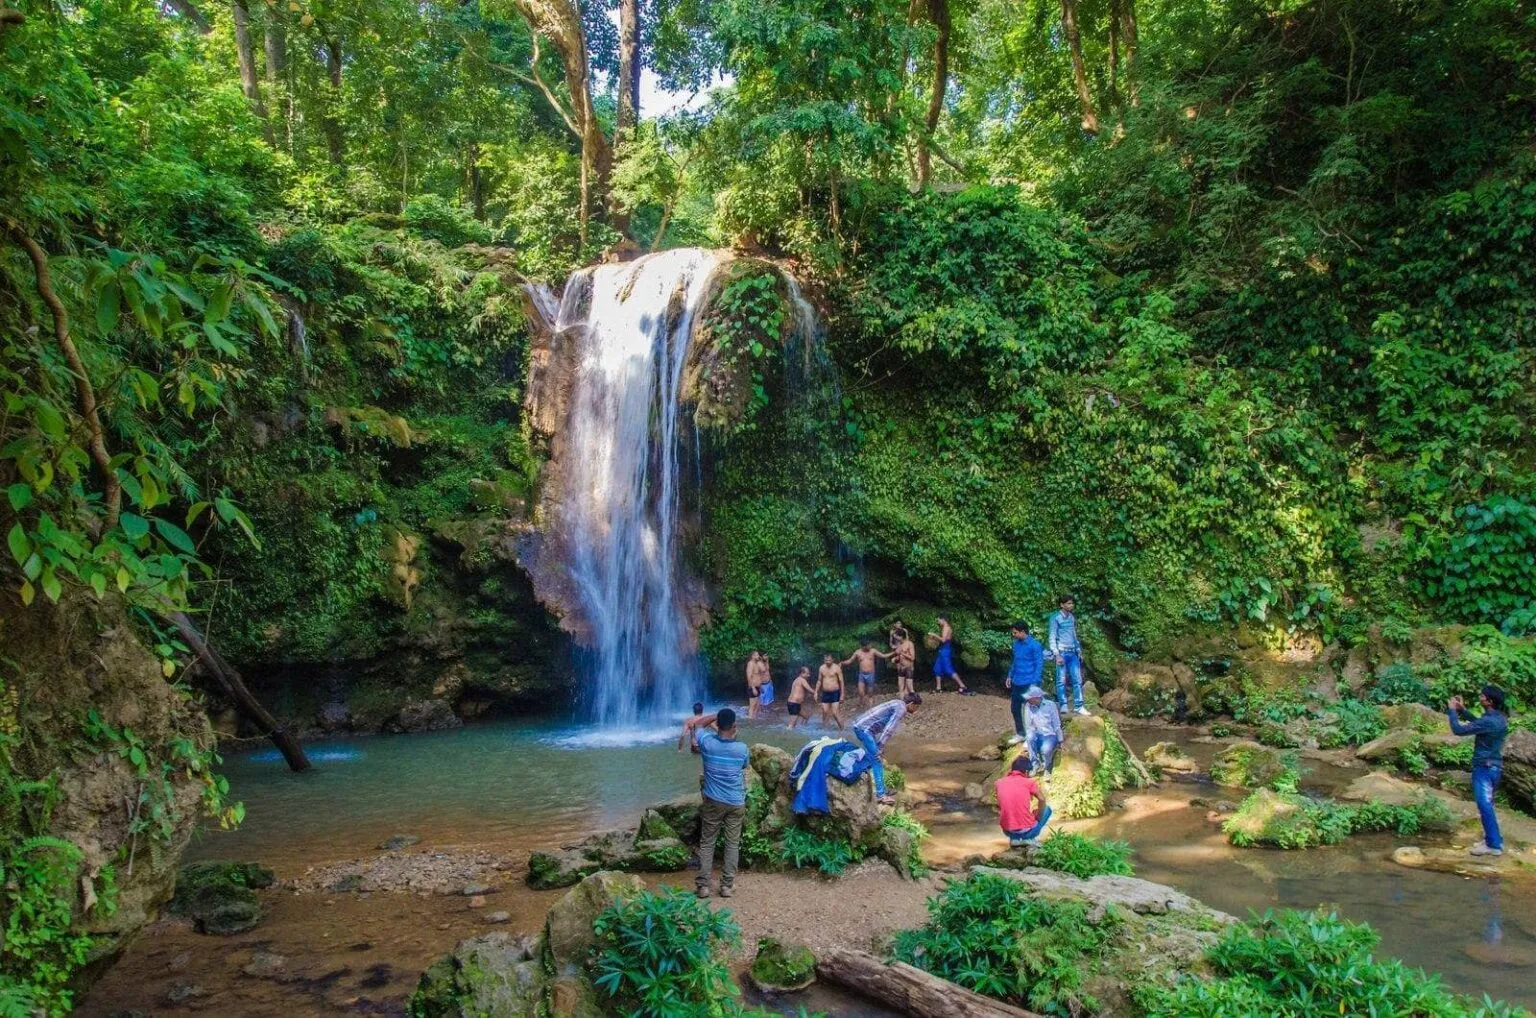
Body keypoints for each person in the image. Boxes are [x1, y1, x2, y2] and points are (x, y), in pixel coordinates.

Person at [680, 707, 750, 898]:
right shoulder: (741, 748)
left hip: (713, 802)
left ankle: (703, 886)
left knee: (707, 843)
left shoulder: (707, 743)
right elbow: (744, 765)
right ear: (734, 726)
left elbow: (697, 725)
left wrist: (714, 716)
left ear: (717, 724)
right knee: (732, 844)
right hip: (736, 802)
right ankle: (726, 886)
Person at [1447, 685, 1510, 857]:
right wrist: (1463, 710)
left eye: (1482, 696)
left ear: (1489, 701)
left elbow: (1458, 730)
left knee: (1484, 805)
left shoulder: (1489, 721)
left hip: (1484, 767)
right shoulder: (1499, 718)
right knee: (1488, 804)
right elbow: (1478, 724)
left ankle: (1493, 845)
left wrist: (1452, 711)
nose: (1480, 697)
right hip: (1494, 766)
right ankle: (1492, 839)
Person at [996, 756, 1052, 847]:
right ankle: (1028, 839)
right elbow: (1042, 799)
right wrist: (1038, 816)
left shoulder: (999, 783)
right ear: (1026, 772)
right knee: (1047, 810)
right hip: (1026, 831)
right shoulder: (1029, 782)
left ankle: (1014, 839)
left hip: (1007, 830)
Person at [1005, 621, 1045, 746]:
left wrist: (1035, 683)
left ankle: (1032, 736)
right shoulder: (1016, 644)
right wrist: (1010, 676)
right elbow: (1015, 661)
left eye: (1015, 633)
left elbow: (1039, 665)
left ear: (1023, 632)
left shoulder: (1035, 645)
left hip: (1030, 682)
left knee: (1031, 711)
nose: (1014, 635)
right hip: (1017, 680)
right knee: (1015, 708)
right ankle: (1021, 734)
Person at [1049, 596, 1090, 716]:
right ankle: (1063, 705)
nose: (1071, 605)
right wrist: (1056, 654)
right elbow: (1052, 636)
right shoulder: (1055, 618)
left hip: (1072, 653)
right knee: (1061, 680)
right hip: (1061, 652)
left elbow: (1073, 634)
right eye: (1068, 603)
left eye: (1072, 603)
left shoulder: (1071, 617)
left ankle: (1079, 706)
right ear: (1062, 605)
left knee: (1077, 679)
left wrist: (1078, 649)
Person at [1019, 686, 1061, 776]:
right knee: (1029, 737)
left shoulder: (1051, 705)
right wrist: (1028, 741)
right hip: (1036, 734)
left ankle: (1047, 767)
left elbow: (1056, 724)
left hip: (1050, 734)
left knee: (1045, 750)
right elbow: (1028, 726)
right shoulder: (1028, 706)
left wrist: (1061, 740)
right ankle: (1035, 764)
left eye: (1030, 698)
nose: (1027, 700)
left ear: (1037, 698)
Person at [927, 615, 972, 694]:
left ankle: (963, 686)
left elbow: (943, 640)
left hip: (945, 650)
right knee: (937, 668)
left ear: (943, 619)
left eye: (939, 620)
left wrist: (934, 635)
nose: (938, 622)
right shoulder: (946, 628)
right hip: (943, 650)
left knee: (948, 669)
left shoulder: (946, 628)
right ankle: (938, 688)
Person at [843, 639, 892, 710]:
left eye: (870, 645)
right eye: (868, 645)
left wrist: (893, 653)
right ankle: (862, 705)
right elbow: (850, 661)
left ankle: (870, 708)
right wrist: (842, 663)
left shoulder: (873, 651)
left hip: (870, 674)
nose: (870, 646)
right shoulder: (858, 652)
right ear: (864, 646)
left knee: (870, 693)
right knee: (861, 692)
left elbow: (883, 656)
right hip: (862, 675)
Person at [816, 653, 846, 729]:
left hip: (835, 693)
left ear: (832, 660)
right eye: (826, 660)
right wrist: (816, 692)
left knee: (835, 713)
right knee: (824, 712)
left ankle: (842, 729)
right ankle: (825, 730)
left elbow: (841, 682)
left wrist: (842, 695)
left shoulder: (837, 668)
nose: (827, 662)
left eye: (829, 660)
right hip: (825, 693)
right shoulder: (821, 668)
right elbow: (819, 680)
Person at [893, 632, 917, 697]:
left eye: (896, 637)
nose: (895, 638)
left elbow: (912, 658)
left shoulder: (909, 644)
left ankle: (915, 700)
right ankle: (902, 701)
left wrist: (902, 653)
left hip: (908, 668)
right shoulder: (899, 645)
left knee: (910, 687)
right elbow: (898, 657)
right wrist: (895, 659)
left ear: (901, 636)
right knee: (900, 688)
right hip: (901, 668)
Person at [745, 651, 764, 720]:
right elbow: (749, 676)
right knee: (752, 706)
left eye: (758, 655)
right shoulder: (750, 664)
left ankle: (754, 719)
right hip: (753, 687)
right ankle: (750, 720)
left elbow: (763, 670)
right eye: (756, 655)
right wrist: (753, 688)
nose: (758, 656)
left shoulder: (757, 663)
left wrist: (761, 686)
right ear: (752, 656)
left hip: (758, 687)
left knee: (758, 706)